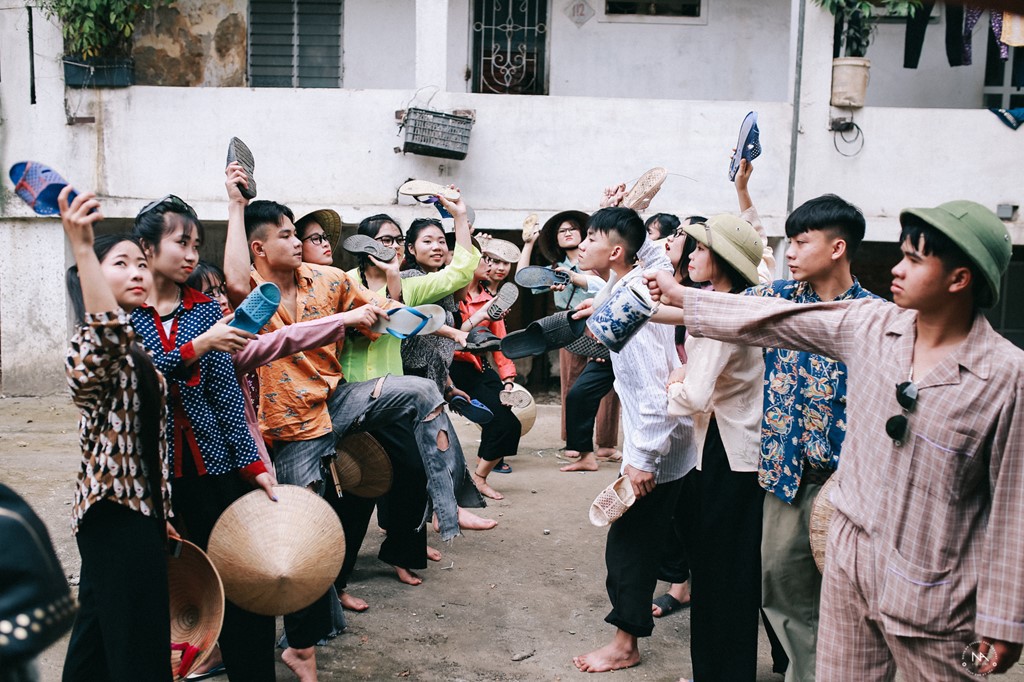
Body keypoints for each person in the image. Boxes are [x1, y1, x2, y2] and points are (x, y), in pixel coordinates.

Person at [645, 200, 1024, 679]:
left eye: (913, 259)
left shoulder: (1007, 376)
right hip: (845, 556)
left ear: (960, 279)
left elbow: (1014, 504)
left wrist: (1004, 617)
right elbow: (766, 317)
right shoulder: (869, 325)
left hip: (935, 587)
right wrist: (680, 296)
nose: (896, 267)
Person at [129, 193, 279, 682]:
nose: (193, 254)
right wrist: (200, 345)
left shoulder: (203, 310)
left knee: (240, 577)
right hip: (150, 476)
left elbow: (227, 398)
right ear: (147, 248)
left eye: (197, 243)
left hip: (215, 466)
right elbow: (137, 380)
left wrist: (254, 466)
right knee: (163, 587)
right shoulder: (122, 316)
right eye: (181, 242)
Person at [748, 190, 878, 681]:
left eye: (801, 242)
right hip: (787, 478)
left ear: (837, 247)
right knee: (780, 587)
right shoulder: (777, 300)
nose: (791, 252)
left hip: (853, 488)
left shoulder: (874, 316)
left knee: (855, 600)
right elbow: (711, 309)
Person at [568, 204, 697, 674]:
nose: (581, 244)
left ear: (616, 251)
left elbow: (649, 391)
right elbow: (658, 261)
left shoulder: (628, 304)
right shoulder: (635, 282)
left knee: (628, 547)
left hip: (656, 446)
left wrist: (640, 461)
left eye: (591, 238)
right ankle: (681, 588)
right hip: (681, 443)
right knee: (672, 532)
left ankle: (625, 643)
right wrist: (633, 214)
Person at [57, 188, 174, 682]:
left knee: (97, 641)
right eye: (120, 264)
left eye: (140, 265)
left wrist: (160, 513)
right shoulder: (94, 347)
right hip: (113, 517)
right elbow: (104, 330)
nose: (137, 273)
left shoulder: (135, 347)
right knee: (139, 651)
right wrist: (82, 248)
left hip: (134, 514)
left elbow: (150, 442)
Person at [654, 205, 774, 681]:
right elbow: (676, 308)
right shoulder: (732, 302)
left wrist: (670, 384)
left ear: (722, 259)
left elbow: (695, 395)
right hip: (739, 449)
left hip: (726, 452)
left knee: (719, 574)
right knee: (733, 570)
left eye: (702, 248)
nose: (693, 256)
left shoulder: (721, 317)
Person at [518, 211, 620, 460]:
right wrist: (529, 243)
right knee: (571, 382)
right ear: (556, 239)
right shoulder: (555, 269)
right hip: (570, 324)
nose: (567, 233)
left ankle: (606, 443)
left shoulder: (599, 263)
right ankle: (573, 441)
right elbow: (524, 278)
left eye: (572, 228)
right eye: (561, 231)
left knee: (606, 384)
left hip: (602, 322)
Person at [450, 245, 522, 497]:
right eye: (485, 260)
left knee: (508, 424)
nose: (491, 266)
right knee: (499, 421)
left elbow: (499, 342)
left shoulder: (492, 302)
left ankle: (479, 477)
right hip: (449, 369)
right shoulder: (446, 294)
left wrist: (509, 379)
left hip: (477, 368)